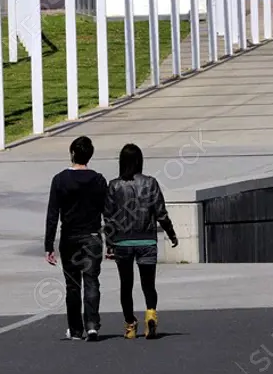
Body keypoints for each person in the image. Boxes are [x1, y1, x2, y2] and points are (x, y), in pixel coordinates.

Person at [103, 143, 178, 340]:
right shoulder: (150, 183)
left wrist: (109, 243)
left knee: (126, 286)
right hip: (146, 240)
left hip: (122, 242)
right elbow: (160, 212)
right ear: (139, 161)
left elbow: (109, 217)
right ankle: (151, 313)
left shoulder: (114, 185)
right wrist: (171, 234)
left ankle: (130, 324)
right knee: (148, 284)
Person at [44, 135, 107, 341]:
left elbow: (53, 214)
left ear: (72, 153)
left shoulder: (60, 179)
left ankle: (75, 329)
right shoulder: (98, 180)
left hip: (69, 237)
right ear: (90, 156)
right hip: (92, 236)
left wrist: (49, 245)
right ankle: (92, 324)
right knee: (91, 281)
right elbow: (107, 211)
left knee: (72, 284)